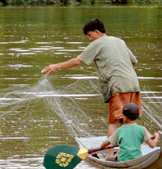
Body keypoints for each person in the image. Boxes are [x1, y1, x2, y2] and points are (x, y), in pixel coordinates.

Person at [41, 18, 143, 153]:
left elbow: (78, 61)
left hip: (118, 85)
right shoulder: (119, 41)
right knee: (129, 119)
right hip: (133, 83)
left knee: (115, 121)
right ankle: (130, 150)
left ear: (97, 32)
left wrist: (56, 66)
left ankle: (112, 154)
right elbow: (134, 63)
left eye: (90, 35)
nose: (89, 39)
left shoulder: (98, 43)